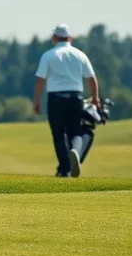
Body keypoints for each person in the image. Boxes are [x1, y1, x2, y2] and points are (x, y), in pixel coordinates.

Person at [33, 24, 99, 178]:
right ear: (70, 37)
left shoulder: (48, 55)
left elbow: (39, 80)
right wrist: (95, 99)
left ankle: (65, 170)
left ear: (54, 38)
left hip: (55, 97)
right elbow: (92, 79)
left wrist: (36, 101)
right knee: (75, 131)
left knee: (58, 134)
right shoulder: (80, 54)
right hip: (76, 96)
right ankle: (75, 151)